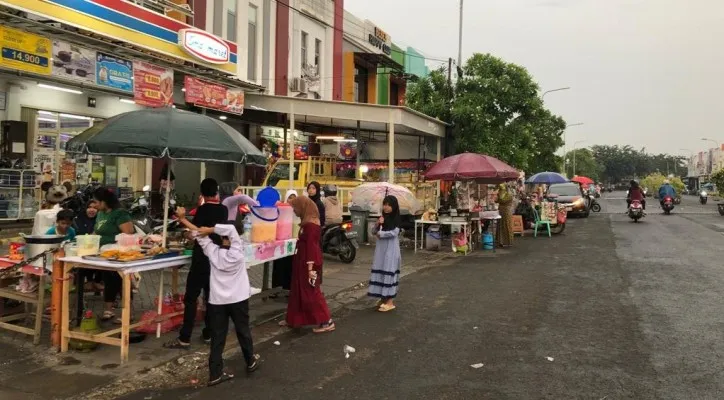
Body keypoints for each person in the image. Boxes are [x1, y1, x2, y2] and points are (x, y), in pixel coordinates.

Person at [174, 209, 260, 386]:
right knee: (243, 331)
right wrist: (210, 229)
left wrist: (184, 220)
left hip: (218, 302)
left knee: (218, 337)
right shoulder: (237, 251)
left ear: (222, 240)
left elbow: (199, 236)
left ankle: (215, 373)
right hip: (238, 299)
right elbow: (229, 231)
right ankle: (250, 361)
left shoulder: (213, 253)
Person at [165, 178, 228, 349]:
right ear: (216, 192)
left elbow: (197, 232)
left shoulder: (203, 209)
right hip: (216, 258)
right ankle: (208, 332)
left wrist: (184, 224)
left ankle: (185, 337)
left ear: (202, 193)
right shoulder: (224, 210)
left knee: (191, 298)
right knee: (210, 296)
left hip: (202, 258)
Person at [285, 196, 335, 333]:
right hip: (303, 261)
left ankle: (326, 321)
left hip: (308, 263)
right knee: (298, 291)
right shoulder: (308, 222)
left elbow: (312, 248)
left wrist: (310, 267)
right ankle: (295, 319)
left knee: (311, 292)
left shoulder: (311, 225)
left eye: (295, 208)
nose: (294, 211)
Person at [93, 187, 134, 322]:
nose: (95, 205)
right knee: (109, 281)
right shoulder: (101, 214)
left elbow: (128, 233)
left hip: (119, 254)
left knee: (122, 282)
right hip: (104, 254)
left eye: (97, 202)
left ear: (105, 202)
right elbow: (97, 232)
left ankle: (128, 313)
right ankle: (108, 310)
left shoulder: (120, 214)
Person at [367, 195, 402, 312]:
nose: (386, 207)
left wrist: (381, 234)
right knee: (381, 270)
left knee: (389, 271)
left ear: (394, 206)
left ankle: (390, 301)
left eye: (389, 205)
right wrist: (378, 223)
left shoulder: (396, 218)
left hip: (391, 249)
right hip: (381, 250)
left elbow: (394, 232)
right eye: (385, 204)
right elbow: (373, 231)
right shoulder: (382, 217)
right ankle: (383, 298)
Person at [271, 190, 298, 294]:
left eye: (294, 197)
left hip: (291, 241)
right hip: (280, 240)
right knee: (278, 264)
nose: (292, 200)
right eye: (290, 197)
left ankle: (288, 288)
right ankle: (275, 289)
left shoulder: (297, 210)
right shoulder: (280, 209)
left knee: (290, 265)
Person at [74, 202, 103, 293]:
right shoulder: (79, 219)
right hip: (82, 250)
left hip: (98, 249)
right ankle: (88, 282)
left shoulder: (100, 221)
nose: (92, 210)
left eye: (95, 208)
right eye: (89, 207)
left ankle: (96, 282)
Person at [496, 183, 514, 248]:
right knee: (500, 225)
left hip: (506, 211)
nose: (500, 190)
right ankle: (500, 241)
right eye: (500, 189)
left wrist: (499, 195)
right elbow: (497, 200)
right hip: (500, 211)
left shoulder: (509, 194)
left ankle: (507, 242)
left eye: (502, 189)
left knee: (506, 225)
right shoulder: (500, 193)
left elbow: (502, 200)